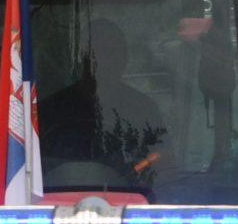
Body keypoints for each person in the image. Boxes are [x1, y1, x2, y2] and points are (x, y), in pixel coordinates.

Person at [44, 19, 168, 175]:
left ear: (124, 58)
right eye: (96, 52)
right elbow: (32, 171)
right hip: (56, 197)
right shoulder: (51, 111)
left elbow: (163, 161)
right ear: (81, 58)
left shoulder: (144, 109)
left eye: (113, 52)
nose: (103, 61)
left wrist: (134, 172)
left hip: (134, 195)